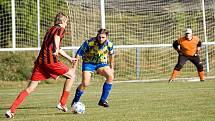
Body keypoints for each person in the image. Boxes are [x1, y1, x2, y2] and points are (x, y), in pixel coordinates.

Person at [5, 12, 77, 118]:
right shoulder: (60, 29)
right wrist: (56, 49)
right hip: (50, 62)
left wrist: (69, 58)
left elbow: (57, 45)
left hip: (40, 62)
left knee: (30, 88)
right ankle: (62, 103)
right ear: (62, 21)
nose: (66, 24)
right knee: (72, 75)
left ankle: (11, 110)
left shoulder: (50, 29)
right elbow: (57, 39)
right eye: (66, 22)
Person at [71, 28, 114, 108]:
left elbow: (111, 55)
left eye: (103, 37)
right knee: (85, 83)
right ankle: (75, 101)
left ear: (106, 37)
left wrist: (112, 68)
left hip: (101, 64)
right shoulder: (89, 42)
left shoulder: (110, 45)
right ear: (97, 36)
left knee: (110, 76)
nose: (101, 39)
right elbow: (78, 54)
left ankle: (103, 100)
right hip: (88, 63)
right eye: (99, 37)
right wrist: (74, 68)